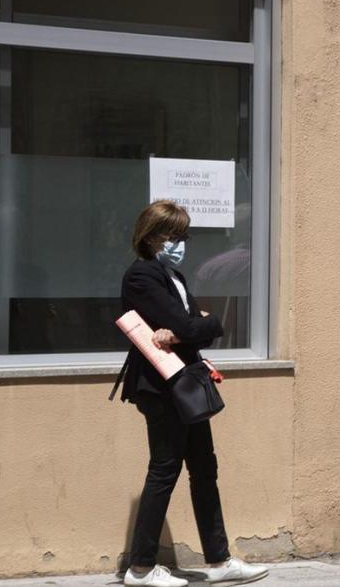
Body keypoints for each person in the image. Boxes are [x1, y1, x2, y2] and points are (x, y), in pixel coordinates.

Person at [118, 201, 268, 587]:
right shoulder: (142, 277)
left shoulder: (174, 276)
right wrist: (201, 324)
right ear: (150, 238)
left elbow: (182, 326)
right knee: (164, 470)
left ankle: (219, 561)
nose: (179, 244)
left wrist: (185, 328)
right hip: (161, 386)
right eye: (172, 236)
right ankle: (141, 567)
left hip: (185, 384)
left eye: (183, 237)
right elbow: (189, 323)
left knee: (205, 469)